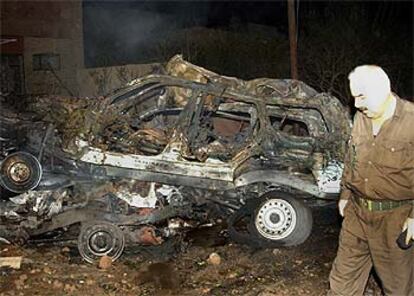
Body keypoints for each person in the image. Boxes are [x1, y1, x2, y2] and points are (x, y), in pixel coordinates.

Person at [328, 65, 414, 296]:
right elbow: (351, 158)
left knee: (398, 288)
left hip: (395, 218)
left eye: (361, 96)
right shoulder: (361, 118)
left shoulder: (411, 121)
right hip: (357, 213)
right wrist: (345, 194)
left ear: (381, 91)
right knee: (342, 281)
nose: (355, 104)